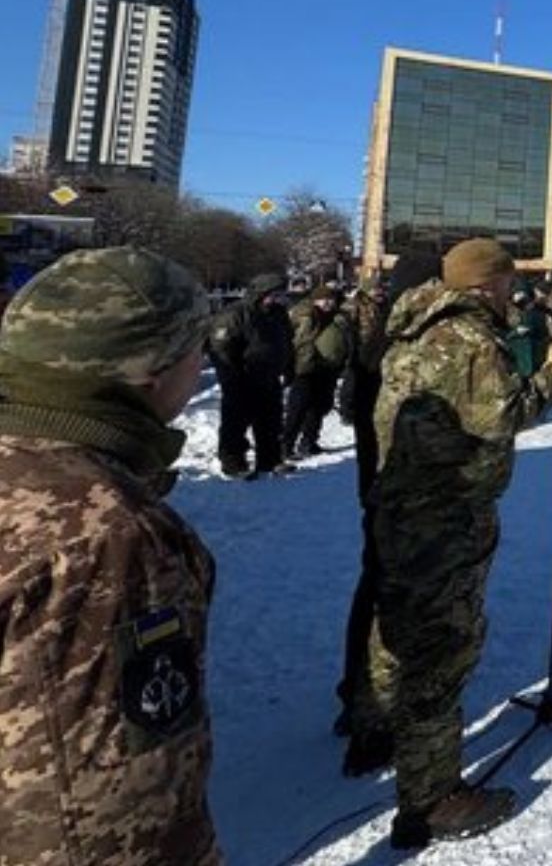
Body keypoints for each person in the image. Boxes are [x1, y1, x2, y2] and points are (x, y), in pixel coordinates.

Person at [355, 238, 552, 849]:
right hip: (443, 517)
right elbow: (505, 414)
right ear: (487, 285)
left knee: (395, 630)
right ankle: (431, 800)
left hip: (401, 507)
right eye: (509, 282)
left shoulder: (414, 326)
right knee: (440, 651)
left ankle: (376, 726)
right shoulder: (469, 340)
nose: (516, 292)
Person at [0, 247, 221, 866]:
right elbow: (122, 811)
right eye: (195, 349)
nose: (202, 363)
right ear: (154, 370)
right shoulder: (108, 535)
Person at [335, 250, 439, 751]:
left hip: (376, 489)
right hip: (409, 495)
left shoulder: (376, 342)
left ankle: (354, 695)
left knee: (374, 587)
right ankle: (375, 711)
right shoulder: (413, 346)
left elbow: (354, 410)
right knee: (397, 600)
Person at [208, 272, 292, 479]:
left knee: (270, 421)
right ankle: (234, 463)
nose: (278, 298)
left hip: (269, 377)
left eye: (280, 294)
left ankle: (270, 460)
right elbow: (220, 347)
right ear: (261, 293)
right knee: (236, 423)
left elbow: (286, 341)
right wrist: (231, 377)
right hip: (242, 378)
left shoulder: (278, 313)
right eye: (274, 294)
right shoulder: (236, 314)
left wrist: (288, 366)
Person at [284, 282, 349, 461]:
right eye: (323, 299)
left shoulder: (337, 317)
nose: (327, 303)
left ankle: (309, 441)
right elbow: (295, 342)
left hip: (327, 368)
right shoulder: (305, 316)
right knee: (298, 408)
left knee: (319, 407)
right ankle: (286, 445)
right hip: (304, 368)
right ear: (314, 300)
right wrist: (290, 366)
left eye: (330, 299)